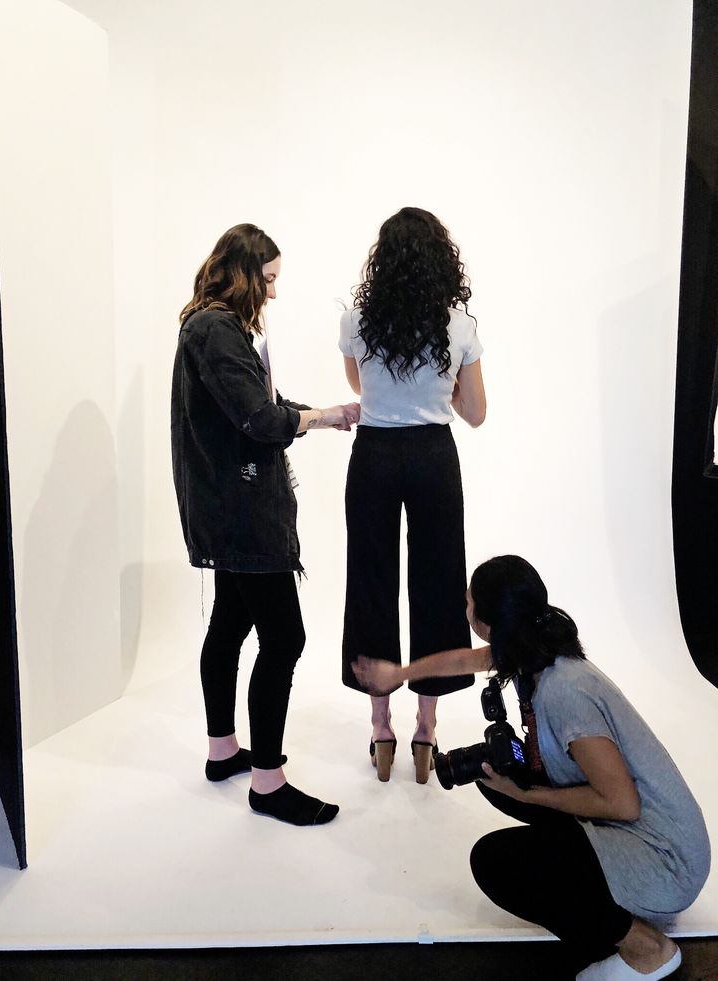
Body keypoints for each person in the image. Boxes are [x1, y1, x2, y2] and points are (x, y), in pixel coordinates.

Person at [353, 555, 710, 979]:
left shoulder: (565, 693)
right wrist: (400, 674)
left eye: (468, 602)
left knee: (496, 863)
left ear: (486, 621)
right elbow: (464, 661)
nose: (463, 606)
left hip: (666, 861)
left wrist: (526, 795)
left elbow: (623, 804)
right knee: (490, 769)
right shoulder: (531, 647)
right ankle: (589, 877)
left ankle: (646, 949)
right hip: (643, 833)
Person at [172, 223, 359, 826]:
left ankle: (223, 752)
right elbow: (257, 419)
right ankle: (268, 784)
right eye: (270, 279)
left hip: (228, 508)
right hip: (243, 513)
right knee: (285, 639)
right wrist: (324, 415)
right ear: (246, 272)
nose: (274, 294)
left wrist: (322, 417)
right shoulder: (217, 330)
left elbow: (255, 404)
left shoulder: (210, 328)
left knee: (229, 624)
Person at [340, 206, 487, 784]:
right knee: (438, 584)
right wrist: (439, 385)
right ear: (440, 260)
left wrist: (396, 391)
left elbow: (360, 385)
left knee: (371, 580)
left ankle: (381, 726)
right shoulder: (459, 325)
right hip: (432, 457)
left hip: (374, 456)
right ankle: (426, 729)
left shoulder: (356, 318)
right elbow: (475, 413)